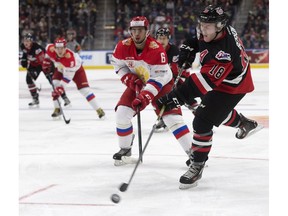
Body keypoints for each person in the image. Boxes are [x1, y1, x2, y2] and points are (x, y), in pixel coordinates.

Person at [157, 5, 261, 189]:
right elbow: (202, 41)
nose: (202, 29)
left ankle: (197, 165)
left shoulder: (224, 53)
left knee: (202, 122)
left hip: (233, 86)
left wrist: (176, 96)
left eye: (207, 26)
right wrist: (190, 46)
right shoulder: (214, 30)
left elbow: (203, 82)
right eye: (201, 25)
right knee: (212, 111)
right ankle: (244, 123)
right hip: (224, 78)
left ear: (220, 26)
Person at [110, 16, 193, 166]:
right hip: (138, 83)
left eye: (140, 30)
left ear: (147, 31)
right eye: (133, 30)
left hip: (162, 84)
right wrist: (128, 78)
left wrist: (145, 96)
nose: (136, 34)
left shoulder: (156, 49)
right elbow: (118, 65)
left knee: (172, 119)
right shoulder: (122, 46)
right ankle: (125, 149)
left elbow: (159, 78)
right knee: (122, 113)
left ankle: (194, 154)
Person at [42, 37, 105, 119]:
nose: (60, 51)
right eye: (57, 48)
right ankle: (57, 109)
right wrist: (46, 61)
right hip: (61, 68)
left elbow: (67, 78)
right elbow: (47, 51)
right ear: (54, 48)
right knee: (55, 84)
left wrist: (61, 89)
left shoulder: (70, 59)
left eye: (62, 48)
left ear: (65, 48)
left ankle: (99, 109)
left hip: (76, 70)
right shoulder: (50, 49)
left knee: (84, 90)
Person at [154, 27, 198, 131]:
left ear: (168, 39)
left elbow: (180, 69)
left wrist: (179, 82)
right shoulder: (153, 50)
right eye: (160, 38)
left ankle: (202, 117)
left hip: (178, 78)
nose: (162, 40)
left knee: (184, 96)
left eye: (164, 38)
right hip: (162, 79)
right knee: (159, 98)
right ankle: (164, 119)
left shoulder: (174, 50)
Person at [20, 33, 70, 107]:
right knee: (29, 79)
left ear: (31, 41)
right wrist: (24, 59)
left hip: (46, 64)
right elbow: (25, 53)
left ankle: (64, 97)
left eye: (28, 41)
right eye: (25, 41)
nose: (26, 43)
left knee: (53, 82)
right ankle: (35, 99)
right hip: (34, 65)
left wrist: (48, 71)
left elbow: (43, 61)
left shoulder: (37, 49)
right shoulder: (22, 46)